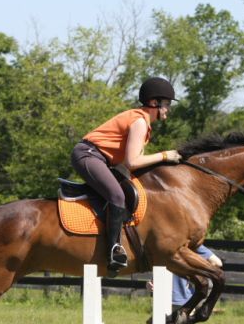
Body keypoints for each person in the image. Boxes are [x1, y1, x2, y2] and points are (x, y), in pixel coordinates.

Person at [71, 77, 183, 275]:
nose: (168, 109)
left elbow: (127, 164)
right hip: (88, 155)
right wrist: (165, 155)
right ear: (154, 103)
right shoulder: (139, 121)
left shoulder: (141, 120)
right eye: (166, 104)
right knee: (117, 196)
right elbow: (132, 162)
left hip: (98, 158)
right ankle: (114, 250)